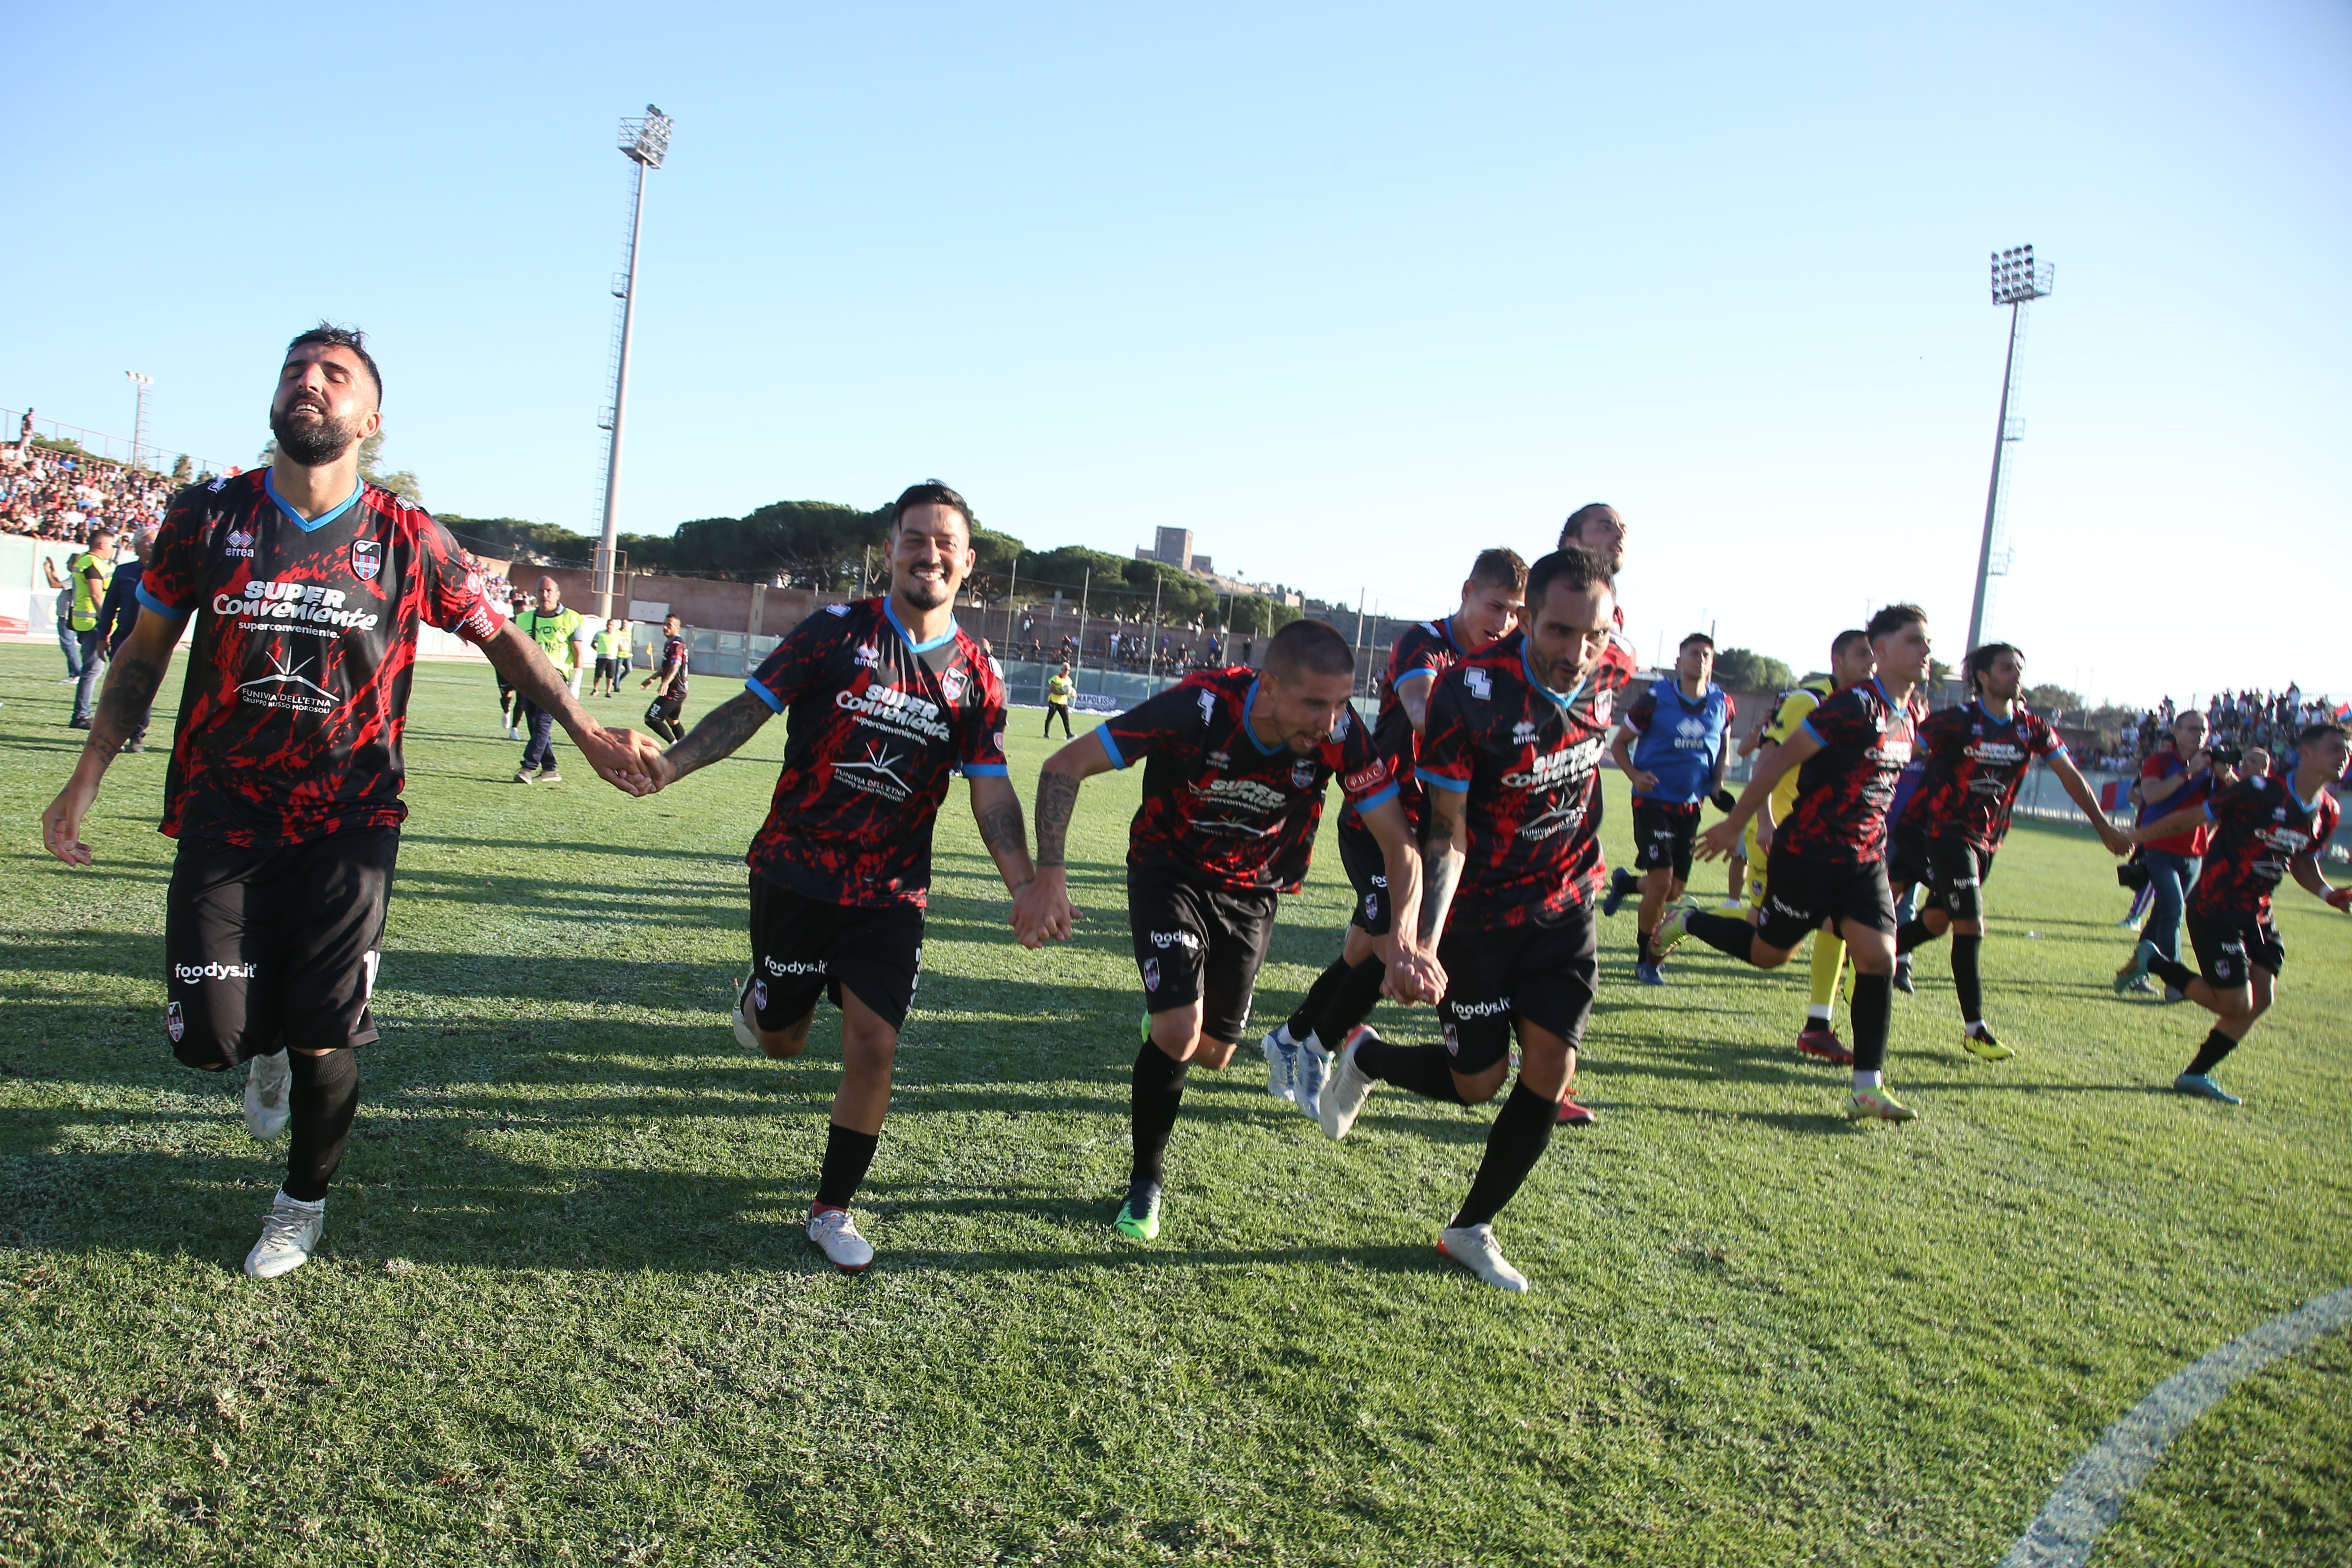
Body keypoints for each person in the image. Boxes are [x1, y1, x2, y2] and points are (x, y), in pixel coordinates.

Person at [40, 322, 651, 1280]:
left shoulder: (411, 539)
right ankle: (261, 1051)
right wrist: (86, 777)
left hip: (349, 822)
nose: (308, 384)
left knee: (328, 1033)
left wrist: (583, 729)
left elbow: (506, 644)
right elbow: (144, 653)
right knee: (212, 1042)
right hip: (223, 811)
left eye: (334, 375)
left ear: (372, 416)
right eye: (295, 370)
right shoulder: (207, 516)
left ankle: (301, 1203)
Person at [636, 483, 1050, 1274]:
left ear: (968, 562)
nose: (928, 552)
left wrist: (1024, 883)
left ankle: (831, 1209)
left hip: (890, 891)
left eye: (944, 541)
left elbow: (989, 786)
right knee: (784, 1041)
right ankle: (761, 997)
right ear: (890, 549)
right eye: (913, 537)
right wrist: (669, 765)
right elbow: (750, 710)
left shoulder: (977, 674)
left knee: (874, 1043)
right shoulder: (834, 631)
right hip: (795, 870)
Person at [1029, 618, 1434, 1247]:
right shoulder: (1197, 706)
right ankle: (1145, 1182)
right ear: (1268, 687)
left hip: (1253, 889)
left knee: (1213, 1052)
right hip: (1169, 870)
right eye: (1313, 703)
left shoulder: (1343, 732)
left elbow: (1399, 845)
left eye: (1338, 703)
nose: (1329, 722)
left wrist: (1406, 939)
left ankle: (1171, 1017)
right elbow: (1063, 765)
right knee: (1177, 1031)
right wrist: (1049, 876)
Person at [1316, 545, 1635, 1291]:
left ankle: (1470, 1226)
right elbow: (1447, 831)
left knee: (1553, 1069)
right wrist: (1421, 942)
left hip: (1563, 904)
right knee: (1476, 1082)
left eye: (1591, 634)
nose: (1576, 651)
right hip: (1481, 916)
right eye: (1558, 631)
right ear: (1528, 620)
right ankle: (1367, 1056)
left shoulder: (1614, 669)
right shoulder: (1470, 693)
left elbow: (1588, 765)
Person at [1259, 547, 1525, 1120]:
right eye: (1495, 605)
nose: (1503, 621)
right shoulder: (1423, 643)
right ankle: (1314, 1049)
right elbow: (1422, 704)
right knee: (1390, 947)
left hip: (1432, 832)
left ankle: (1291, 1036)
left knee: (1361, 951)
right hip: (1380, 823)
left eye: (1515, 612)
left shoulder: (1505, 662)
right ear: (1467, 592)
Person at [1659, 604, 1936, 1121]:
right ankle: (1688, 920)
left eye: (1927, 641)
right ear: (1881, 650)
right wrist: (1737, 820)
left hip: (1865, 859)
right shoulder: (1852, 706)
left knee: (1878, 957)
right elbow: (1779, 758)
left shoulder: (1911, 712)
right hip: (1807, 853)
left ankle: (1867, 1086)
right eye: (1916, 640)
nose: (1927, 651)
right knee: (1770, 955)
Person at [1885, 642, 2130, 1057]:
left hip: (1986, 840)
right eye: (2005, 668)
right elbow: (1895, 748)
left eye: (2019, 667)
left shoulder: (2032, 726)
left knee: (1937, 920)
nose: (2016, 674)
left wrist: (2103, 825)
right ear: (1982, 676)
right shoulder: (1954, 722)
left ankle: (1876, 951)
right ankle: (1975, 1028)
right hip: (1942, 832)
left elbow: (2071, 777)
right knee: (1970, 926)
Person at [2117, 723, 2350, 1104]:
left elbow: (2303, 863)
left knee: (2262, 999)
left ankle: (2195, 1074)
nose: (2344, 756)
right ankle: (2156, 962)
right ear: (2306, 753)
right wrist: (2136, 838)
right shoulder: (2259, 791)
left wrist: (2328, 893)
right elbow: (2194, 816)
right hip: (2216, 907)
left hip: (2259, 913)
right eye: (2335, 748)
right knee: (2236, 1003)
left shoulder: (2328, 810)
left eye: (2347, 750)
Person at [1728, 632, 1876, 1062]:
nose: (1871, 663)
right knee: (1763, 937)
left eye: (1874, 654)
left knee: (1836, 924)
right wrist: (1764, 822)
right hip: (1784, 833)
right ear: (1838, 659)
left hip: (1832, 840)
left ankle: (1818, 1025)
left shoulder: (1869, 706)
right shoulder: (1809, 701)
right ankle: (1688, 919)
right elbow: (1767, 759)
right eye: (1862, 654)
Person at [1601, 632, 1735, 985]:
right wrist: (1634, 775)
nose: (1700, 660)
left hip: (1691, 805)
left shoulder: (1723, 703)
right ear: (1679, 661)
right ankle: (1647, 959)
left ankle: (1627, 884)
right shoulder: (1654, 699)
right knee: (1661, 882)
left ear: (1713, 662)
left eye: (1706, 655)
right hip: (1653, 801)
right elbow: (1619, 745)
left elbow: (1723, 748)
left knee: (1673, 889)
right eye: (1693, 654)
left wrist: (1718, 782)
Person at [2113, 711, 2233, 1001]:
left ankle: (2135, 970)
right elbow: (2151, 795)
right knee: (2175, 911)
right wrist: (2189, 771)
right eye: (2192, 729)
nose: (2199, 734)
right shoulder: (2160, 761)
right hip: (2159, 847)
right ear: (2177, 731)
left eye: (2203, 729)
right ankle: (2177, 982)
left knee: (2161, 917)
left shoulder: (2212, 764)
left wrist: (2225, 774)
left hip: (2194, 851)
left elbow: (2235, 797)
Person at [512, 575, 592, 782]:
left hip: (555, 679)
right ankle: (550, 768)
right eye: (541, 591)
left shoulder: (571, 618)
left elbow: (578, 654)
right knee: (533, 725)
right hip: (528, 679)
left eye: (548, 591)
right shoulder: (524, 619)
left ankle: (527, 768)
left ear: (557, 594)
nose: (545, 595)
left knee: (542, 725)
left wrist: (575, 684)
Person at [92, 524, 155, 753]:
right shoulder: (124, 572)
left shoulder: (168, 571)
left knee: (144, 688)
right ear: (138, 546)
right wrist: (102, 637)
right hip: (123, 638)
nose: (155, 545)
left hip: (153, 639)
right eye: (150, 542)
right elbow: (109, 608)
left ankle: (137, 734)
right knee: (119, 688)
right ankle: (114, 735)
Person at [66, 524, 118, 728]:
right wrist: (106, 621)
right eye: (112, 545)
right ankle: (81, 715)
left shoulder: (87, 561)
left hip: (87, 620)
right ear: (103, 544)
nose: (113, 549)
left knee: (93, 670)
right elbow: (97, 594)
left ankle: (82, 713)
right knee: (92, 670)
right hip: (92, 622)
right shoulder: (92, 563)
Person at [639, 613, 689, 743]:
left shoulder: (677, 645)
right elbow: (665, 668)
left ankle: (675, 747)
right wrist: (652, 678)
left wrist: (666, 682)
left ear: (677, 628)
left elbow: (676, 665)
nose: (665, 627)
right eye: (665, 624)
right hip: (679, 690)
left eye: (669, 625)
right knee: (672, 720)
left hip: (675, 690)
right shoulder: (670, 643)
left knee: (651, 718)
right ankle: (685, 749)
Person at [496, 589, 529, 737]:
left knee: (523, 697)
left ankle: (514, 729)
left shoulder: (531, 623)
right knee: (506, 695)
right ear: (515, 611)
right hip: (505, 664)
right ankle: (506, 710)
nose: (524, 615)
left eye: (526, 611)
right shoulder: (506, 623)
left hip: (523, 666)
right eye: (521, 612)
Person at [589, 617, 625, 697]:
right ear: (607, 625)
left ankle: (608, 692)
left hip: (612, 658)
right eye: (609, 624)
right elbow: (593, 644)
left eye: (612, 625)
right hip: (602, 657)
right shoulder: (600, 634)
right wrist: (598, 650)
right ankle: (595, 689)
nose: (610, 626)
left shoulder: (617, 636)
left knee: (610, 676)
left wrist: (622, 651)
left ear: (614, 626)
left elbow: (621, 647)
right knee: (598, 675)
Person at [1043, 662, 1075, 738]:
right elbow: (1051, 689)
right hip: (1054, 701)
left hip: (1063, 702)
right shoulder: (1056, 678)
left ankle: (1069, 734)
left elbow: (1069, 691)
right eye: (1066, 669)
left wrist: (1073, 694)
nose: (1067, 671)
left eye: (1069, 670)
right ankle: (1046, 733)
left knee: (1066, 719)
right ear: (1062, 669)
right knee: (1050, 718)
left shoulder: (1069, 680)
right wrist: (1060, 693)